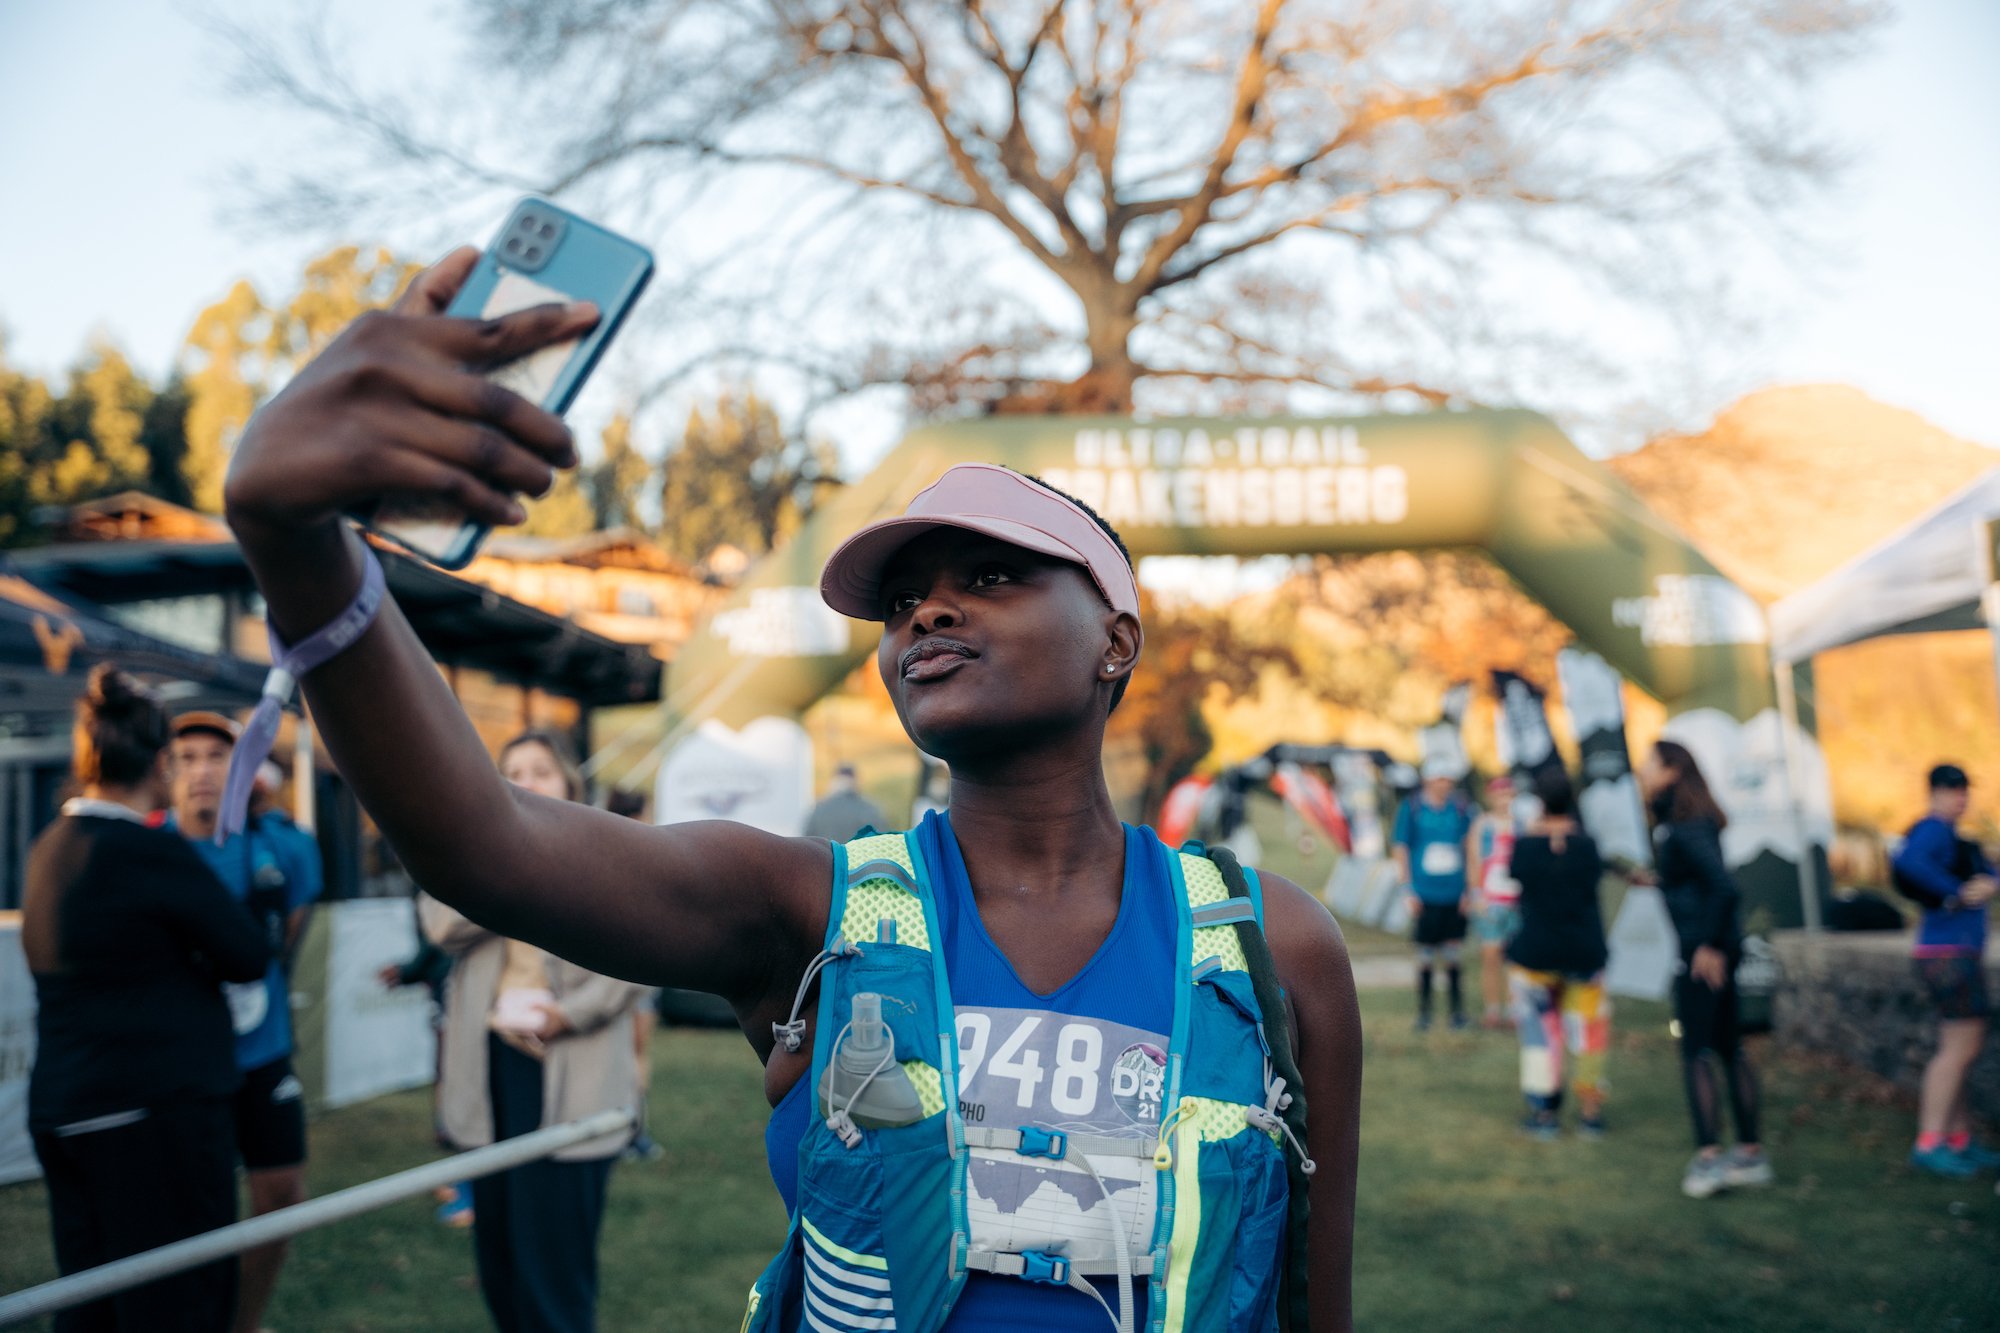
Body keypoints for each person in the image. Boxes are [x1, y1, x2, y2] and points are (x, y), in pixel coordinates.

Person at [220, 257, 1362, 1331]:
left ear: (1114, 640)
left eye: (992, 575)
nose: (927, 611)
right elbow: (487, 843)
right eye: (901, 600)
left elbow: (1314, 1303)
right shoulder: (808, 910)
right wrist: (300, 546)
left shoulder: (1270, 945)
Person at [23, 665, 270, 1332]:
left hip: (67, 1110)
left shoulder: (48, 848)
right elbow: (247, 952)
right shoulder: (145, 850)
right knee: (177, 1303)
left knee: (93, 1305)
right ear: (161, 762)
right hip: (151, 1118)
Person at [420, 728, 654, 1333]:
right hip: (493, 1068)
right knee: (500, 1257)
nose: (525, 783)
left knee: (554, 1269)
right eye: (511, 772)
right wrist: (502, 867)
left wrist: (566, 1014)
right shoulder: (467, 861)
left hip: (571, 1073)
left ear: (569, 783)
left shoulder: (605, 854)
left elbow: (632, 964)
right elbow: (442, 927)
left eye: (540, 771)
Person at [163, 712, 323, 1333]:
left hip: (264, 1055)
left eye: (218, 755)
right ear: (165, 770)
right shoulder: (149, 849)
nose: (203, 770)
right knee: (187, 1213)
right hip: (183, 1068)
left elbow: (290, 934)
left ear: (244, 768)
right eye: (187, 757)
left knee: (281, 1199)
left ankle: (242, 1323)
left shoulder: (285, 844)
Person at [1638, 739, 1771, 1199]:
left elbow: (1724, 888)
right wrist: (1657, 881)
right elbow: (1697, 882)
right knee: (1727, 1046)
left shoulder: (1686, 824)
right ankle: (1749, 1153)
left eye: (1649, 763)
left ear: (1672, 769)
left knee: (1699, 1051)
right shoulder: (1684, 821)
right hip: (1711, 945)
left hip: (1704, 952)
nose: (1642, 769)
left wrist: (1708, 947)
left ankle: (1710, 1158)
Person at [1890, 763, 2000, 1178]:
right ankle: (1931, 1141)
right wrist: (1954, 894)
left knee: (1959, 1047)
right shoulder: (1933, 828)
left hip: (1951, 953)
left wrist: (1988, 883)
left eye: (1964, 791)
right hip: (1947, 954)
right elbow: (1910, 861)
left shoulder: (1955, 837)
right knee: (1960, 1049)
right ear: (1934, 791)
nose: (1961, 798)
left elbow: (1988, 875)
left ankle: (1958, 1138)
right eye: (1953, 790)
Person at [1505, 770, 1610, 1139]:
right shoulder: (1587, 844)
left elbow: (1515, 875)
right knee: (1588, 1033)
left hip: (1536, 952)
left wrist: (1535, 831)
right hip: (1584, 952)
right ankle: (1590, 1113)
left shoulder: (1526, 845)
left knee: (1540, 1034)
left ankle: (1544, 1113)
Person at [1393, 760, 1477, 1031]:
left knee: (1453, 953)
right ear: (1428, 780)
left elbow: (1471, 848)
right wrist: (1407, 888)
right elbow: (1401, 847)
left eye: (1448, 779)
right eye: (1439, 778)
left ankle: (1457, 1013)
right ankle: (1425, 1013)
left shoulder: (1461, 808)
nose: (1444, 784)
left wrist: (1470, 889)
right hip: (1424, 894)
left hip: (1454, 893)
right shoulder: (1413, 807)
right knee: (1426, 954)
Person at [1470, 775, 1521, 1029]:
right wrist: (1476, 894)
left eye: (1508, 795)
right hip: (1491, 900)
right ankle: (1492, 1010)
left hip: (1515, 900)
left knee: (1515, 959)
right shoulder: (1483, 825)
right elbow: (1474, 861)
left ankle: (1514, 1009)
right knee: (1491, 956)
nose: (1504, 800)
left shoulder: (1520, 825)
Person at [803, 763, 887, 841]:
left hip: (827, 856)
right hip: (858, 856)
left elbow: (807, 839)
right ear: (855, 780)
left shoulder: (819, 808)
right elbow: (880, 839)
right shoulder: (869, 809)